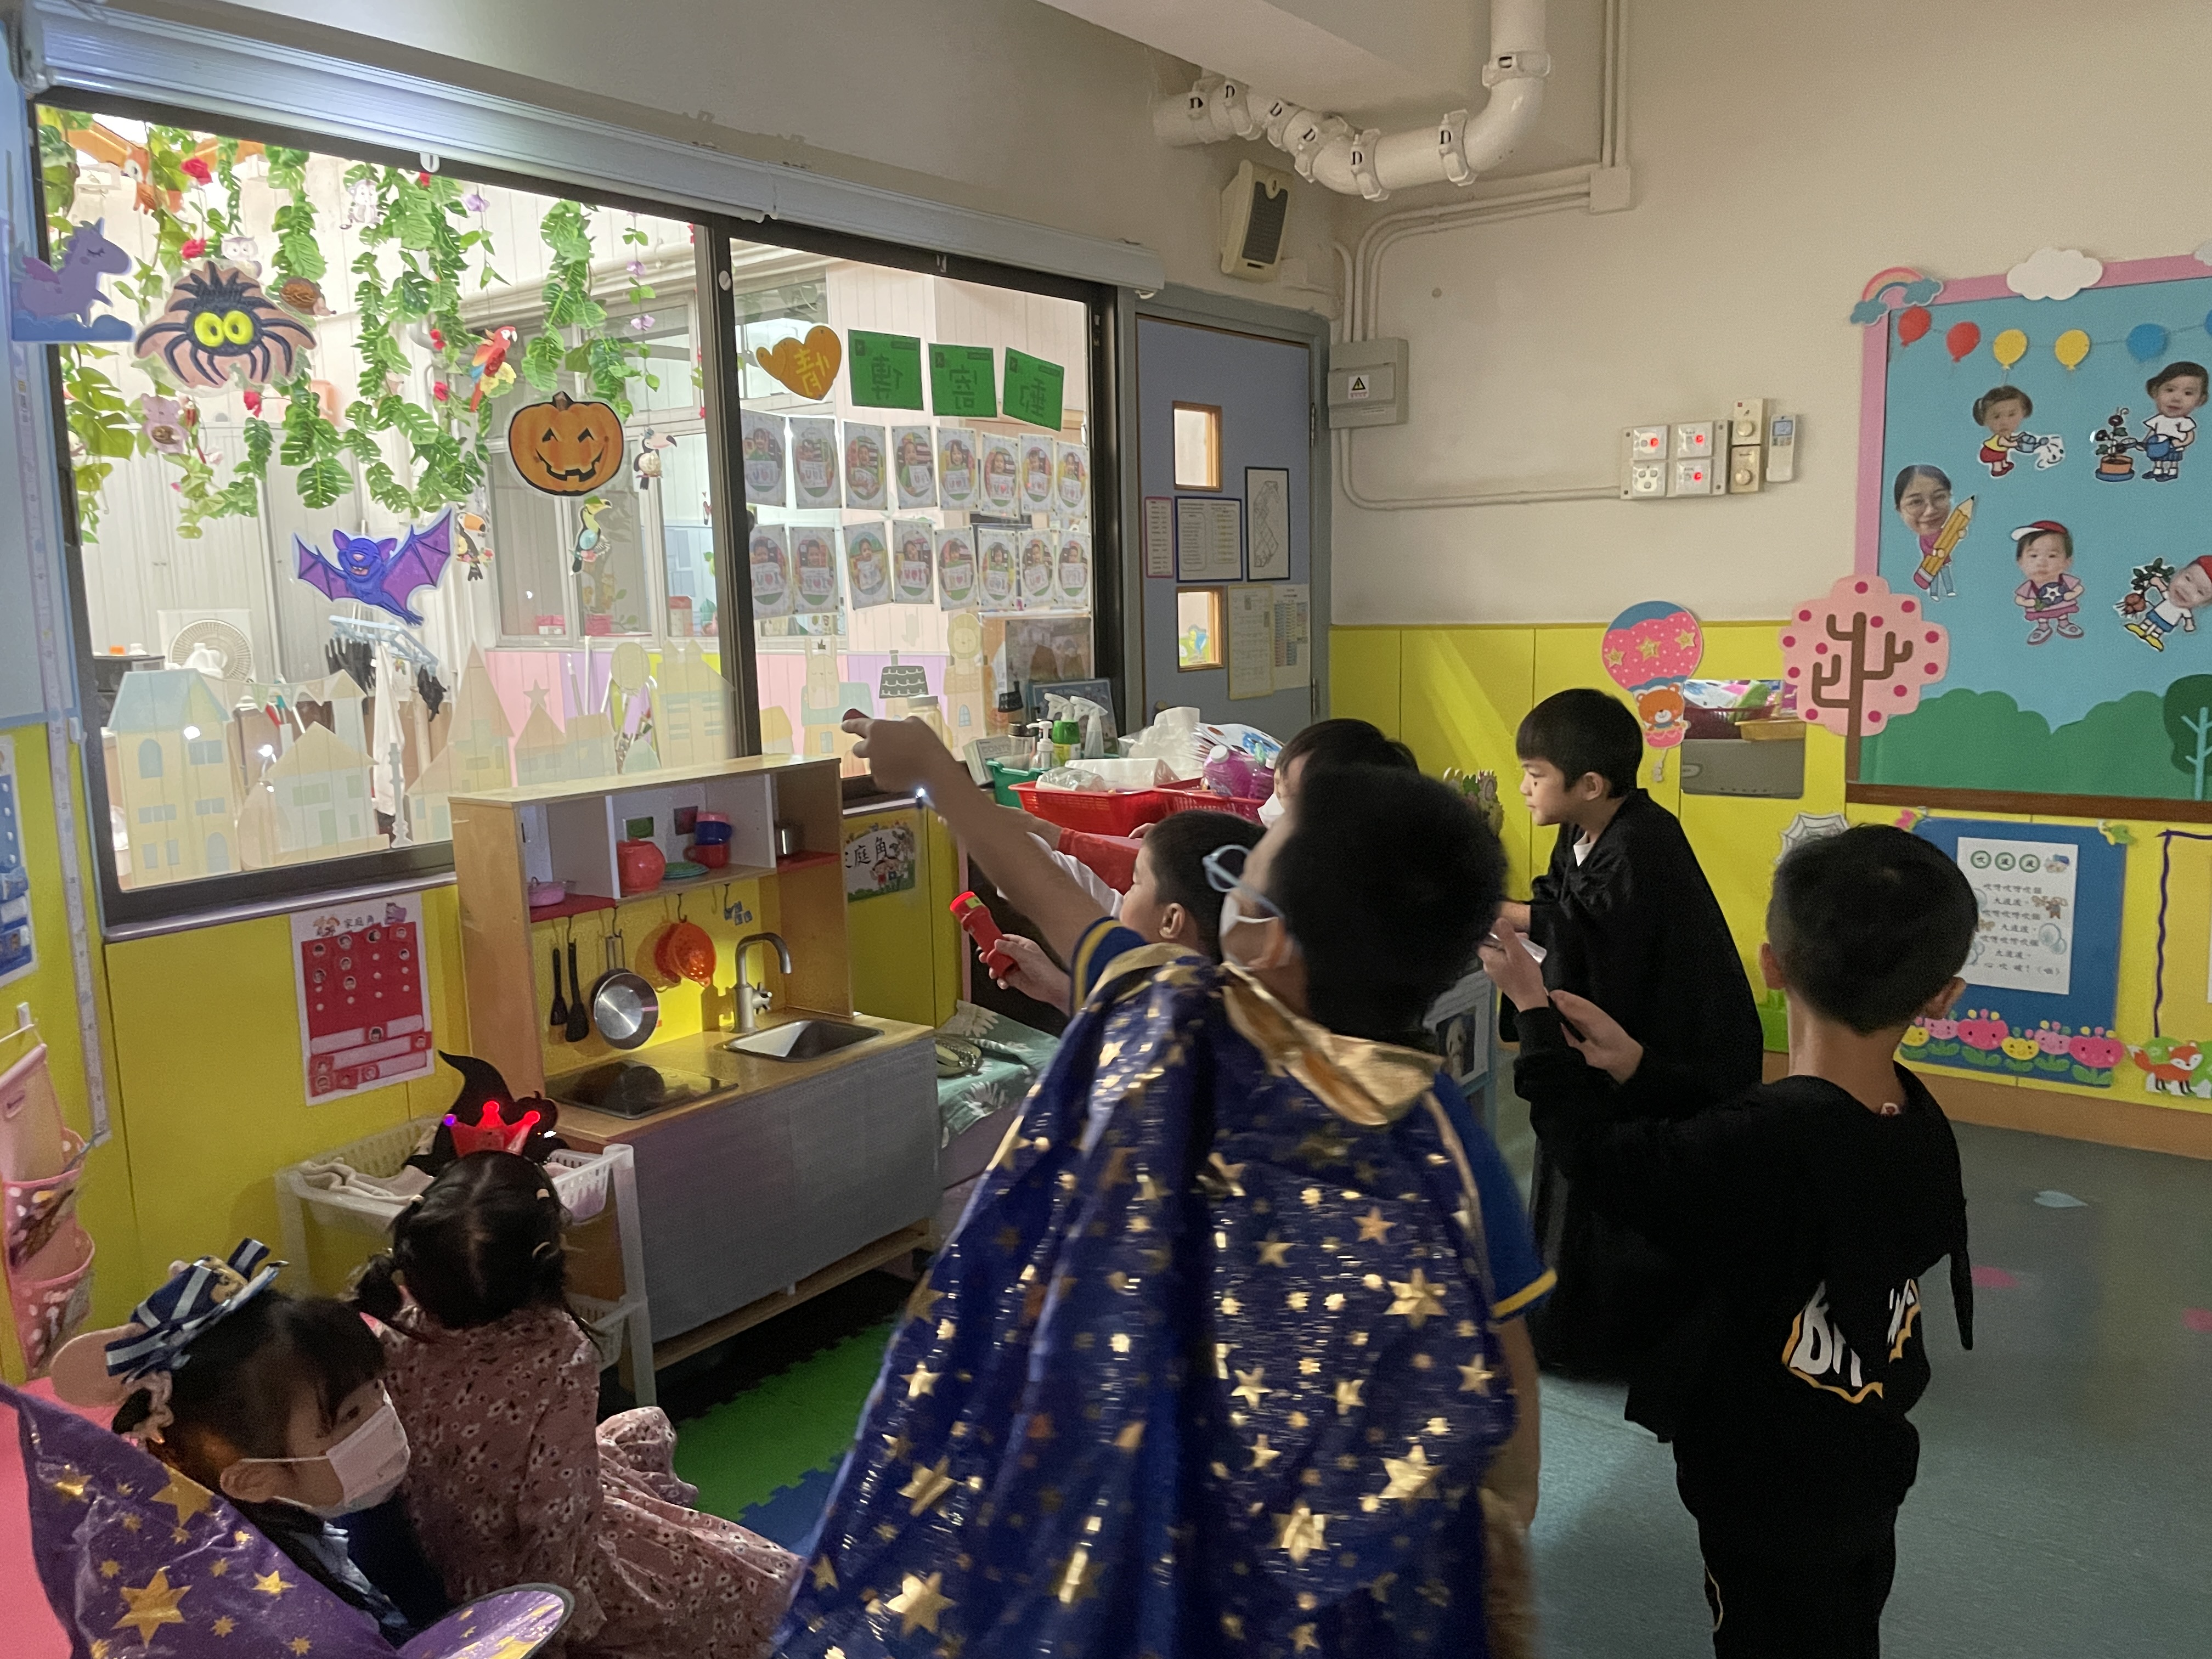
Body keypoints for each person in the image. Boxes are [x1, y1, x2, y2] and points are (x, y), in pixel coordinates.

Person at [780, 717, 1541, 1658]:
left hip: (1137, 1519)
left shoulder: (1178, 1020)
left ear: (1266, 937)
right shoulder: (1441, 1134)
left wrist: (935, 770)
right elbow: (1507, 1382)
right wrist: (1496, 1542)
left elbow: (1053, 899)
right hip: (1325, 1581)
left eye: (1256, 864)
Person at [1481, 824, 1976, 1658]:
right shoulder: (1915, 1120)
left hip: (1765, 1483)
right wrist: (1639, 1066)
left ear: (1771, 967)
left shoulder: (1761, 1145)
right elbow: (1739, 1142)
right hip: (1869, 1450)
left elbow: (1602, 1159)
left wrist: (1533, 1012)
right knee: (1845, 1623)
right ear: (1942, 997)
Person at [355, 1152, 799, 1659]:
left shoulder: (397, 1330)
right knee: (766, 1582)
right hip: (528, 1580)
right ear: (545, 1254)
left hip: (453, 1550)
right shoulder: (558, 1350)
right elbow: (556, 1516)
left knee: (644, 1429)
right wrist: (551, 1623)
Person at [1496, 688, 1763, 1378]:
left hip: (1668, 1045)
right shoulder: (1582, 830)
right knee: (1575, 1173)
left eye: (1535, 775)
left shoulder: (1645, 839)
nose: (1524, 788)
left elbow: (1595, 934)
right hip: (1614, 1031)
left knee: (1619, 1179)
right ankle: (1561, 1319)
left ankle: (1605, 1336)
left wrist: (1506, 915)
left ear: (1589, 784)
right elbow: (1561, 904)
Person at [48, 1239, 427, 1646]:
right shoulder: (291, 1627)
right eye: (350, 1416)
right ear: (252, 1480)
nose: (382, 1415)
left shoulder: (285, 1518)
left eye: (377, 1387)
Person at [989, 808, 1262, 1010]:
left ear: (1170, 921)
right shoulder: (1216, 992)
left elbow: (1117, 1029)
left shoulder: (1179, 1015)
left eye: (1135, 883)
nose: (1124, 894)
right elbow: (1066, 883)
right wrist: (1059, 991)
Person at [2010, 520, 2085, 644]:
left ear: (2067, 562)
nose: (2042, 563)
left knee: (2062, 614)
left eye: (2052, 556)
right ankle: (2043, 628)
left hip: (2062, 606)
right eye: (2034, 556)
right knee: (2042, 618)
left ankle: (2064, 624)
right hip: (2040, 609)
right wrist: (2027, 602)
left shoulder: (2065, 581)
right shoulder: (2029, 586)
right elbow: (2019, 599)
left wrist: (2072, 594)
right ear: (2020, 561)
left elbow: (2079, 588)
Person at [2142, 361, 2207, 482]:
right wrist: (2145, 443)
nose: (2176, 399)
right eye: (2170, 390)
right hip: (2159, 444)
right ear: (2156, 392)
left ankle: (2172, 472)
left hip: (2174, 446)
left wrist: (2181, 443)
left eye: (2188, 393)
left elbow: (2190, 436)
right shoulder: (2158, 419)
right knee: (2158, 458)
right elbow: (2152, 432)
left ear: (2200, 401)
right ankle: (2157, 471)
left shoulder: (2184, 422)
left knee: (2173, 459)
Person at [1972, 385, 2032, 478]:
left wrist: (2019, 437)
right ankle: (1998, 470)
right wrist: (2018, 443)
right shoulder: (2000, 439)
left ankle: (2004, 465)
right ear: (1984, 419)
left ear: (2024, 413)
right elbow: (2008, 443)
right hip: (1992, 453)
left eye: (2011, 415)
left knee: (2002, 457)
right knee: (1997, 461)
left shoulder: (2007, 435)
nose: (2004, 422)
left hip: (2000, 452)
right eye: (1996, 417)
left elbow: (2010, 440)